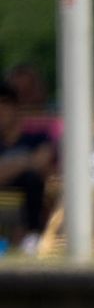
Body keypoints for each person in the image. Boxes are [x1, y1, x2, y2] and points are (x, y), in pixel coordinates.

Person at [0, 86, 54, 246]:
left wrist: (10, 167)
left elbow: (43, 165)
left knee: (32, 179)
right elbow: (35, 161)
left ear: (16, 108)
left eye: (4, 106)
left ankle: (31, 237)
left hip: (31, 198)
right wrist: (26, 161)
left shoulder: (37, 139)